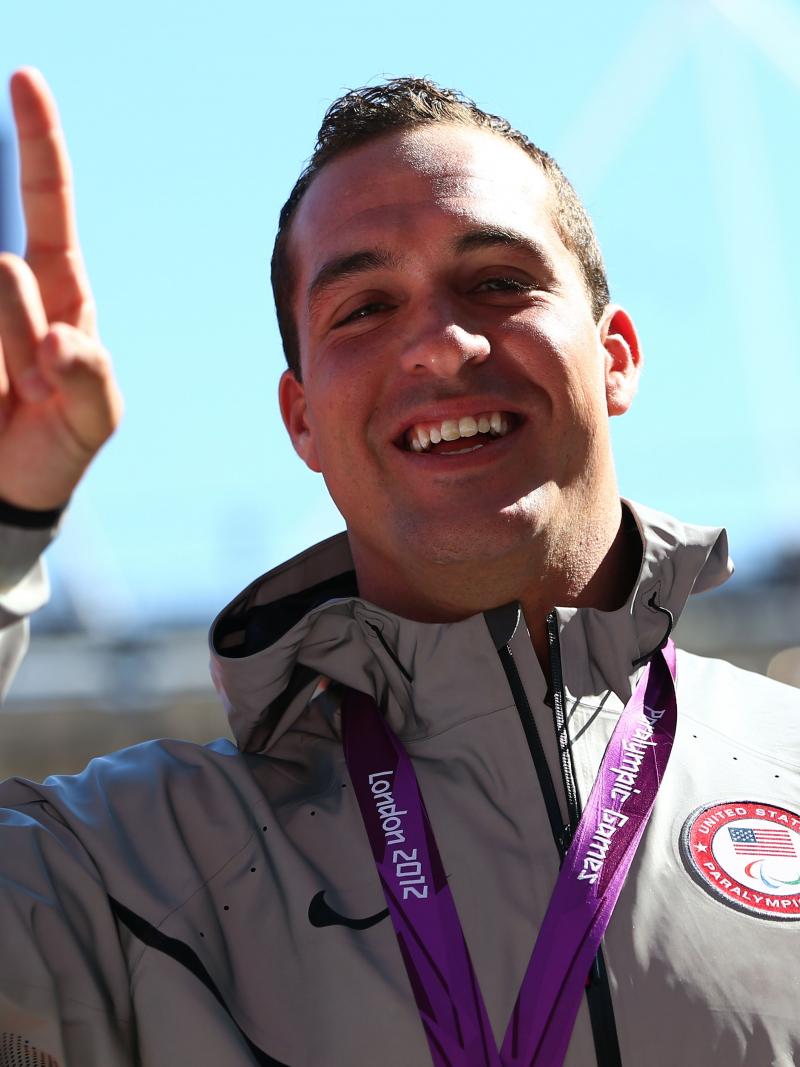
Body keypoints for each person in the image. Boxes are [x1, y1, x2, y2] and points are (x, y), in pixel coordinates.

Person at [0, 68, 798, 1067]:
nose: (442, 342)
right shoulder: (125, 867)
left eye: (498, 282)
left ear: (615, 355)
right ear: (302, 422)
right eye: (364, 306)